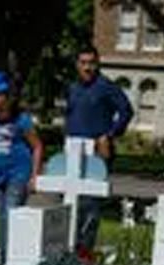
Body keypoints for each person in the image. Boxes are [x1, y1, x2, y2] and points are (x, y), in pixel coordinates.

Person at [62, 45, 132, 253]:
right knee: (69, 203)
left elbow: (126, 111)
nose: (87, 67)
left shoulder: (106, 86)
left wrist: (109, 134)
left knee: (91, 207)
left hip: (97, 153)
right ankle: (68, 249)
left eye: (91, 63)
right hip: (73, 151)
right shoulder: (73, 88)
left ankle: (85, 254)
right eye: (83, 63)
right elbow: (69, 115)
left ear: (97, 64)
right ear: (77, 65)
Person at [0, 72, 43, 265]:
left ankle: (11, 261)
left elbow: (36, 146)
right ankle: (4, 258)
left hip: (18, 173)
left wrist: (34, 175)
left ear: (9, 97)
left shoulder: (22, 120)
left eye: (0, 95)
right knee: (2, 217)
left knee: (11, 215)